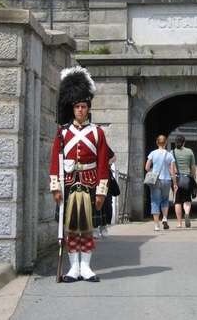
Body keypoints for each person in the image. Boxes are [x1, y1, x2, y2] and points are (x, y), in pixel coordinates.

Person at [49, 66, 110, 282]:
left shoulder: (97, 132)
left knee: (87, 229)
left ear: (88, 108)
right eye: (77, 107)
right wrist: (55, 187)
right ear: (72, 109)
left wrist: (102, 191)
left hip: (90, 185)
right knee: (71, 230)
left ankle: (86, 267)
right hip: (68, 185)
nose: (81, 110)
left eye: (84, 106)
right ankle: (73, 268)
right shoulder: (63, 132)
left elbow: (103, 162)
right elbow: (54, 160)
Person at [145, 135, 177, 231]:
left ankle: (156, 225)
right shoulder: (169, 155)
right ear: (166, 143)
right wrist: (175, 183)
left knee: (155, 201)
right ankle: (165, 218)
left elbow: (146, 167)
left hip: (155, 180)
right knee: (165, 199)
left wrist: (152, 170)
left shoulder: (152, 153)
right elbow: (173, 171)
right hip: (166, 180)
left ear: (157, 142)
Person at [172, 135, 196, 228]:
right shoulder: (189, 152)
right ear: (184, 142)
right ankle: (186, 213)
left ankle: (179, 222)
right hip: (187, 178)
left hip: (177, 178)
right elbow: (193, 167)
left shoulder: (172, 152)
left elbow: (172, 168)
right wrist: (193, 177)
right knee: (187, 199)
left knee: (177, 201)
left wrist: (174, 181)